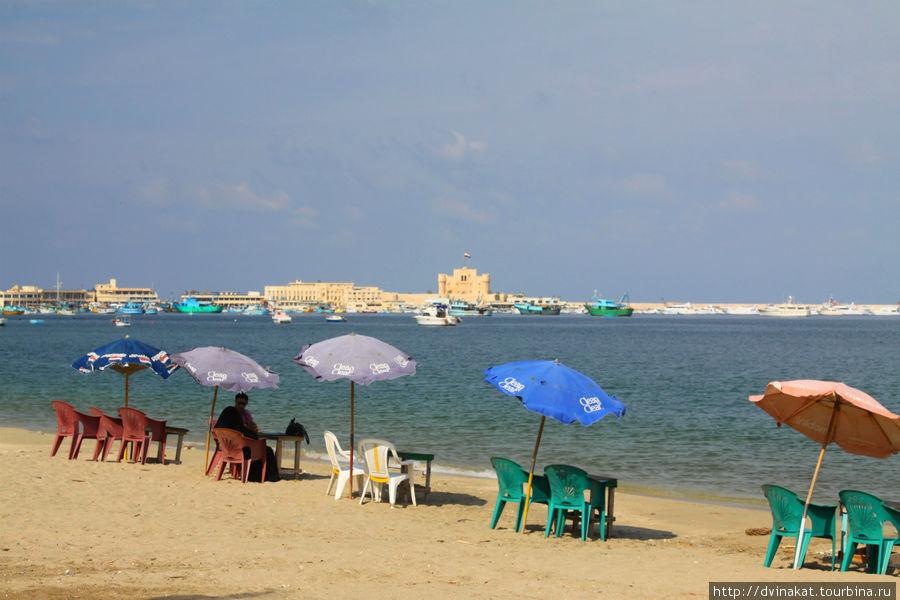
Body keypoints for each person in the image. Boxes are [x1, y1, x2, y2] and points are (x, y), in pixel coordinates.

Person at [215, 393, 279, 482]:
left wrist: (249, 429)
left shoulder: (228, 418)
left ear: (246, 404)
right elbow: (243, 432)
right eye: (239, 403)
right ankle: (268, 477)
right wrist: (249, 431)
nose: (241, 406)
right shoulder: (234, 415)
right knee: (267, 450)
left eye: (243, 404)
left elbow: (243, 430)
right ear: (235, 402)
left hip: (227, 449)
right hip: (240, 450)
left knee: (257, 446)